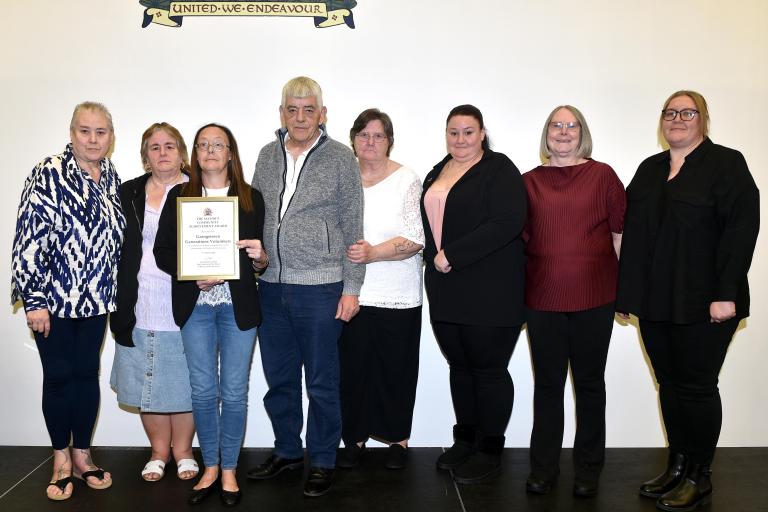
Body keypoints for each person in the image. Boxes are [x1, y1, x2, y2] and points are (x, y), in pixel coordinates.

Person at [616, 90, 759, 511]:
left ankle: (700, 475)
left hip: (706, 303)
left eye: (687, 112)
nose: (677, 119)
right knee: (670, 387)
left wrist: (725, 294)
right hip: (656, 303)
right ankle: (677, 467)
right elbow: (634, 237)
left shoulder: (726, 164)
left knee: (697, 388)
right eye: (670, 113)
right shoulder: (650, 169)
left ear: (703, 119)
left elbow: (741, 230)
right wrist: (627, 294)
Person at [246, 76, 364, 497]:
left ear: (322, 114)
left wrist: (352, 288)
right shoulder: (265, 154)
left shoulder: (340, 158)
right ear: (282, 114)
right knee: (279, 379)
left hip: (321, 286)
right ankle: (287, 451)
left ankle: (324, 459)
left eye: (308, 109)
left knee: (320, 381)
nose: (300, 117)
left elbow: (353, 225)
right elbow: (253, 213)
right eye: (292, 110)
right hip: (271, 286)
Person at [11, 102, 125, 500]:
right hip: (54, 303)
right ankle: (60, 459)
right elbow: (28, 239)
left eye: (101, 132)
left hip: (96, 301)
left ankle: (83, 456)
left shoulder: (111, 176)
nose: (93, 139)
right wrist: (34, 299)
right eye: (85, 131)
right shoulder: (49, 171)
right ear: (72, 133)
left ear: (111, 137)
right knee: (58, 378)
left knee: (86, 376)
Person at [154, 123, 267, 507]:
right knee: (203, 392)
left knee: (234, 392)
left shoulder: (252, 198)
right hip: (195, 306)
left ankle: (231, 468)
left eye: (218, 144)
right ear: (196, 154)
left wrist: (259, 256)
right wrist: (192, 272)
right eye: (203, 144)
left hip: (238, 306)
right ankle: (211, 467)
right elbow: (162, 253)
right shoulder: (178, 198)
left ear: (231, 152)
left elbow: (263, 259)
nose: (211, 150)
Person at [522, 105, 626, 498]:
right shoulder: (527, 182)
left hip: (595, 297)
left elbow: (619, 237)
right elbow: (520, 243)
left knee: (589, 385)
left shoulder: (603, 176)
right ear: (546, 133)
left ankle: (588, 470)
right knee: (547, 386)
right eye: (556, 125)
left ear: (582, 133)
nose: (563, 132)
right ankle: (543, 469)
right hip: (543, 298)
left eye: (571, 125)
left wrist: (625, 293)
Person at [421, 104, 526, 484]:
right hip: (447, 288)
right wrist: (435, 258)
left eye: (468, 132)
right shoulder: (439, 170)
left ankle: (489, 449)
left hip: (491, 289)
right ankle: (464, 440)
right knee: (460, 368)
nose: (460, 139)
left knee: (488, 370)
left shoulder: (500, 170)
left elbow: (508, 222)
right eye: (453, 132)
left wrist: (453, 254)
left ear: (482, 133)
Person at [109, 122, 198, 482]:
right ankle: (159, 452)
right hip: (138, 299)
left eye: (170, 146)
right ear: (145, 155)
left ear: (181, 153)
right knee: (148, 382)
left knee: (185, 381)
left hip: (185, 299)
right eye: (155, 147)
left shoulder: (198, 190)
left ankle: (185, 451)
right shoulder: (128, 192)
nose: (162, 152)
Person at [336, 109, 424, 470]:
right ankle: (354, 439)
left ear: (389, 141)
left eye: (379, 136)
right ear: (353, 140)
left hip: (398, 294)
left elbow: (416, 238)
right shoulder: (342, 179)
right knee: (351, 370)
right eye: (363, 135)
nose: (370, 142)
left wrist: (373, 253)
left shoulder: (407, 179)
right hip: (350, 293)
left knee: (395, 370)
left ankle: (397, 441)